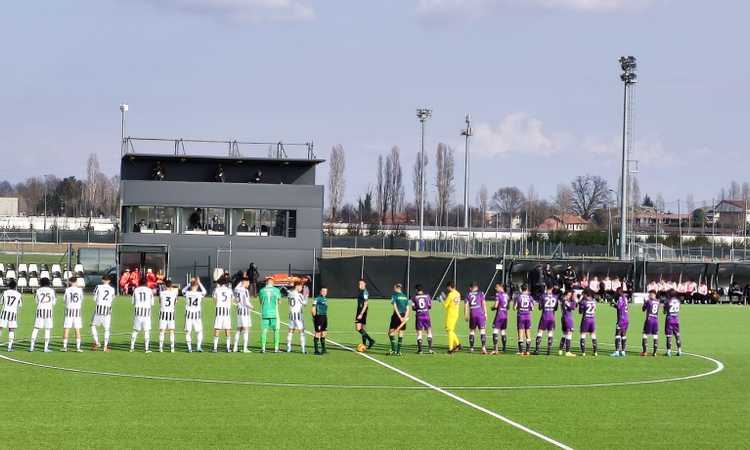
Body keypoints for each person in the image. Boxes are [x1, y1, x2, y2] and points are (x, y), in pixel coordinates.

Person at [30, 278, 56, 352]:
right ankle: (45, 348)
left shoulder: (38, 290)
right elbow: (54, 302)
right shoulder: (52, 291)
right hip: (48, 310)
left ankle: (31, 347)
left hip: (40, 309)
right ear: (48, 283)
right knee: (47, 329)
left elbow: (36, 301)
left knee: (36, 328)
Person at [91, 275, 115, 352]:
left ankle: (97, 342)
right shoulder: (112, 289)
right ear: (109, 281)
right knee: (107, 329)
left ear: (102, 280)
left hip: (99, 309)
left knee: (93, 325)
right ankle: (105, 347)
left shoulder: (98, 287)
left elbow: (94, 298)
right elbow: (112, 298)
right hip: (107, 309)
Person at [258, 277, 282, 353]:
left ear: (266, 282)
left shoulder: (261, 290)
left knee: (264, 331)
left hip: (264, 313)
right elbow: (279, 302)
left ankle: (263, 348)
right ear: (272, 282)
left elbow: (261, 302)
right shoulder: (276, 290)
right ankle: (276, 348)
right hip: (274, 313)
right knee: (276, 330)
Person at [182, 277, 206, 353]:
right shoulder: (199, 294)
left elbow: (183, 290)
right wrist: (199, 282)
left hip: (188, 315)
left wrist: (189, 283)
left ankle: (189, 348)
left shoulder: (187, 293)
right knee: (199, 331)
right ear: (197, 286)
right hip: (197, 315)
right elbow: (205, 291)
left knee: (188, 332)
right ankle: (198, 347)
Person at [130, 282, 155, 353]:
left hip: (138, 312)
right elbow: (152, 303)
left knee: (135, 330)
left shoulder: (136, 290)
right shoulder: (149, 290)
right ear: (146, 283)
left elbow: (133, 302)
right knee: (146, 331)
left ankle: (132, 348)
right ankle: (146, 349)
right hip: (146, 313)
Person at [533, 285, 558, 356]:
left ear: (546, 287)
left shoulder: (543, 296)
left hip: (545, 316)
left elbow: (540, 307)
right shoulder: (555, 297)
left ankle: (537, 350)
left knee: (540, 331)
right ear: (552, 288)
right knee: (550, 332)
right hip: (552, 317)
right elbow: (555, 308)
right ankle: (548, 350)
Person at [464, 282, 488, 354]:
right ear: (476, 287)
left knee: (472, 331)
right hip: (480, 314)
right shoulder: (480, 293)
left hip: (472, 314)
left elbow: (465, 306)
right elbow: (483, 303)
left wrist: (465, 315)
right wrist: (485, 313)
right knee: (482, 331)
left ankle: (471, 348)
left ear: (471, 288)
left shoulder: (468, 294)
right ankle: (483, 348)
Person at [62, 276, 84, 352]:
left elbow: (65, 300)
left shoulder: (67, 290)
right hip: (77, 311)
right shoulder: (80, 290)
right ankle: (78, 348)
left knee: (66, 329)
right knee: (77, 329)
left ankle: (64, 347)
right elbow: (81, 299)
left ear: (70, 282)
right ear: (76, 282)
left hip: (69, 311)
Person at [212, 276, 234, 353]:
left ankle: (215, 348)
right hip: (227, 312)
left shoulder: (216, 290)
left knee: (217, 328)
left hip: (219, 312)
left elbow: (215, 301)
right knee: (227, 329)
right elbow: (232, 300)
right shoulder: (229, 290)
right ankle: (228, 348)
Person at [387, 283, 410, 356]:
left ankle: (394, 350)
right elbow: (408, 309)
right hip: (404, 315)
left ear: (397, 288)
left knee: (390, 332)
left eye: (394, 288)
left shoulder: (394, 296)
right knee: (401, 333)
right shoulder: (405, 297)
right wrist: (405, 317)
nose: (393, 289)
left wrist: (399, 317)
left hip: (396, 315)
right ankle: (398, 351)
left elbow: (395, 307)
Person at [0, 279, 22, 351]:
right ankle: (9, 347)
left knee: (0, 328)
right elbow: (20, 305)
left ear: (9, 286)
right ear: (16, 286)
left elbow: (1, 302)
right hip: (13, 313)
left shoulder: (5, 292)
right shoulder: (18, 294)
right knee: (11, 330)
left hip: (4, 312)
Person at [233, 277, 253, 353]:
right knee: (246, 329)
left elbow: (236, 287)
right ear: (245, 282)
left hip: (239, 312)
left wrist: (242, 280)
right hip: (245, 312)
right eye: (248, 283)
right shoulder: (245, 291)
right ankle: (245, 348)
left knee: (239, 329)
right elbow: (247, 303)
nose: (248, 284)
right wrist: (252, 307)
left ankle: (235, 347)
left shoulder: (237, 289)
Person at [411, 284, 433, 354]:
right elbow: (429, 306)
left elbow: (413, 308)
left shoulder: (414, 297)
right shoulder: (427, 296)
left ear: (416, 290)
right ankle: (430, 349)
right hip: (426, 316)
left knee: (419, 333)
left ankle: (420, 350)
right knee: (429, 332)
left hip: (419, 316)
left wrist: (416, 308)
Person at [157, 280, 178, 353]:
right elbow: (175, 302)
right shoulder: (174, 293)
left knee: (162, 331)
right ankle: (172, 349)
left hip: (163, 313)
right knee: (171, 331)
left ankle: (160, 348)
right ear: (171, 285)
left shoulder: (162, 293)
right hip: (171, 314)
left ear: (165, 285)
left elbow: (160, 302)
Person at [286, 281, 307, 353]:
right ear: (296, 286)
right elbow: (305, 304)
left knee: (290, 331)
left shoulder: (289, 294)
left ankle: (288, 348)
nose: (301, 288)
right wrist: (306, 297)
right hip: (298, 315)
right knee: (301, 331)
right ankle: (303, 349)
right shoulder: (299, 295)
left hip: (291, 315)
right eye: (300, 286)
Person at [355, 279, 376, 349]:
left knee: (358, 328)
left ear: (365, 284)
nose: (360, 285)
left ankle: (371, 340)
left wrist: (361, 313)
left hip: (361, 312)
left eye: (361, 284)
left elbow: (366, 303)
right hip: (362, 311)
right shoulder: (361, 291)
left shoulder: (365, 292)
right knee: (362, 328)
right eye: (359, 284)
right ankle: (364, 344)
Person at [514, 284, 534, 356]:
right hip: (528, 316)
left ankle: (521, 351)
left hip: (521, 316)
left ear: (521, 289)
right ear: (527, 289)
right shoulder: (530, 297)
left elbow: (514, 307)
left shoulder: (518, 297)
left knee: (520, 333)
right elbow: (532, 308)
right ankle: (528, 351)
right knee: (528, 333)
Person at [558, 291, 577, 357]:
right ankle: (567, 352)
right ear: (565, 295)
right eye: (569, 295)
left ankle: (560, 350)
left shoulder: (563, 300)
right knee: (569, 334)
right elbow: (573, 307)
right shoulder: (566, 301)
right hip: (568, 318)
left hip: (563, 317)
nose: (570, 296)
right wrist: (574, 300)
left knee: (564, 334)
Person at [490, 283, 508, 354]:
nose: (496, 289)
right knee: (503, 331)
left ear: (501, 287)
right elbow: (508, 306)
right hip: (505, 315)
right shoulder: (507, 295)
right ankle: (504, 348)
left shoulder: (498, 295)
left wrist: (492, 308)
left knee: (495, 331)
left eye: (497, 287)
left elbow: (496, 305)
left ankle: (495, 349)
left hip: (499, 315)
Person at [443, 282, 462, 354]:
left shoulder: (450, 294)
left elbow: (445, 305)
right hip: (456, 313)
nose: (447, 288)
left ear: (450, 287)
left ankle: (451, 348)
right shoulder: (458, 293)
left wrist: (441, 300)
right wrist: (446, 298)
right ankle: (457, 344)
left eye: (448, 287)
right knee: (450, 330)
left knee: (449, 330)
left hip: (450, 314)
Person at [578, 290, 598, 356]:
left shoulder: (584, 302)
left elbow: (580, 312)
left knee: (583, 335)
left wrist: (580, 301)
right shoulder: (594, 302)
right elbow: (595, 310)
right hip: (592, 319)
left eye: (583, 295)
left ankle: (583, 352)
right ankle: (595, 352)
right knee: (593, 335)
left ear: (586, 294)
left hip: (586, 319)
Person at [611, 287, 629, 357]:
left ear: (619, 291)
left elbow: (619, 307)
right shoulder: (625, 298)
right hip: (626, 318)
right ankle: (623, 351)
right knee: (623, 334)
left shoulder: (621, 298)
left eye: (616, 291)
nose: (616, 293)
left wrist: (613, 304)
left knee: (617, 334)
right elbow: (622, 307)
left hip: (621, 319)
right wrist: (614, 305)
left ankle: (617, 351)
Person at [641, 290, 660, 356]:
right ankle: (654, 353)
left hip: (649, 320)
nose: (649, 295)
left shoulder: (648, 301)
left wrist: (644, 303)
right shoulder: (658, 301)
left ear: (653, 294)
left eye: (650, 294)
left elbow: (643, 309)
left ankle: (645, 352)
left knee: (645, 335)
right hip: (655, 320)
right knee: (655, 336)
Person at [664, 291, 682, 357]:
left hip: (669, 319)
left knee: (669, 336)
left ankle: (668, 351)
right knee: (677, 335)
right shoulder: (678, 301)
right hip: (676, 319)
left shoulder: (667, 301)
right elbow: (679, 309)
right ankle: (679, 351)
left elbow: (664, 311)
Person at [312, 287, 329, 355]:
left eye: (325, 291)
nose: (324, 292)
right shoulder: (317, 299)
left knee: (324, 332)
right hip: (318, 317)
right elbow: (313, 309)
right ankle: (316, 350)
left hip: (324, 317)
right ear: (320, 291)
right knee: (318, 333)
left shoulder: (325, 299)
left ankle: (323, 349)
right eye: (323, 291)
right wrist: (315, 317)